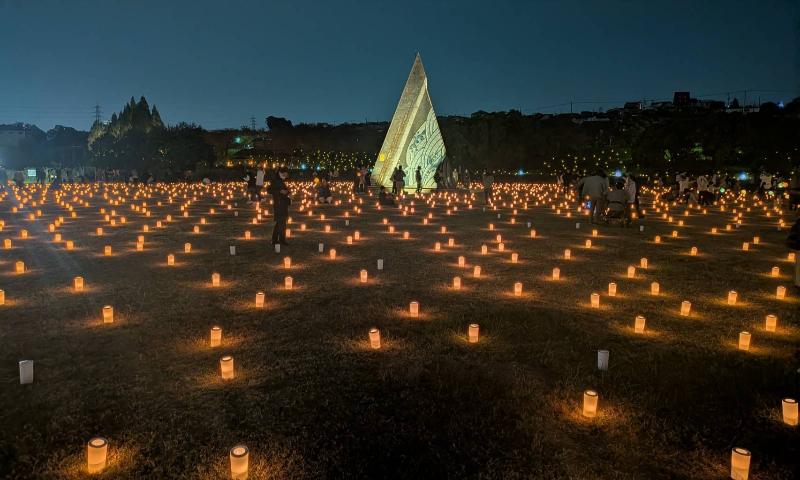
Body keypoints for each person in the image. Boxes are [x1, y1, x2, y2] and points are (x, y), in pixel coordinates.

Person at [268, 167, 291, 246]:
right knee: (282, 223)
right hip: (279, 204)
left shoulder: (281, 180)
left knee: (279, 222)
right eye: (286, 173)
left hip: (283, 203)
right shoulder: (275, 180)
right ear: (282, 173)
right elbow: (269, 190)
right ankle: (282, 240)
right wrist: (280, 191)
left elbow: (284, 190)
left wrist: (287, 192)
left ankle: (274, 240)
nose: (287, 175)